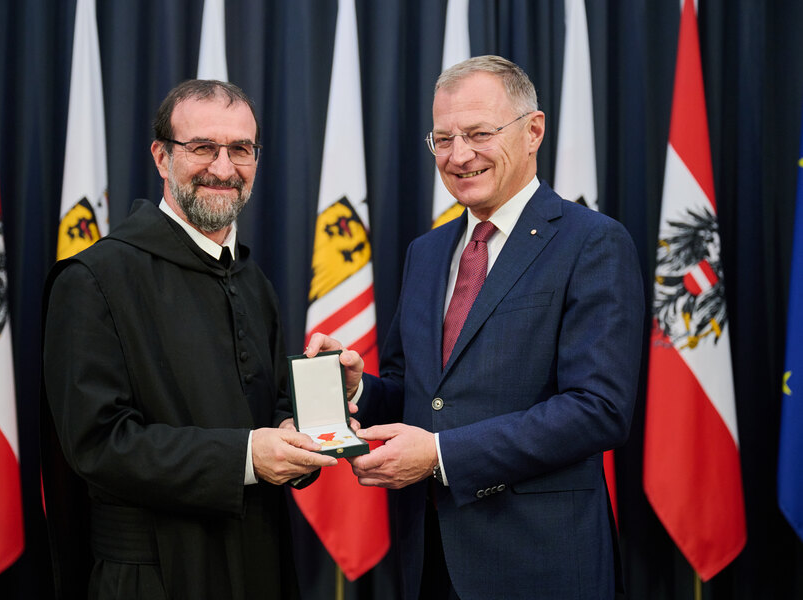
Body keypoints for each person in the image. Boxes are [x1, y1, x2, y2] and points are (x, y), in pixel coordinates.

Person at [307, 56, 645, 600]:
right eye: (443, 139)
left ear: (533, 131)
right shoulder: (428, 251)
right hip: (430, 560)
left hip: (542, 565)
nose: (459, 156)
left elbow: (598, 409)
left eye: (479, 134)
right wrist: (359, 388)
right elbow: (420, 396)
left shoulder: (592, 242)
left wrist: (442, 456)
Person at [41, 79, 337, 600]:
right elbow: (98, 445)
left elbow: (272, 415)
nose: (224, 168)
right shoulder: (92, 280)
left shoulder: (253, 280)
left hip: (261, 564)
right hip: (152, 576)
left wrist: (307, 426)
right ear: (161, 157)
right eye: (202, 147)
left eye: (240, 149)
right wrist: (247, 456)